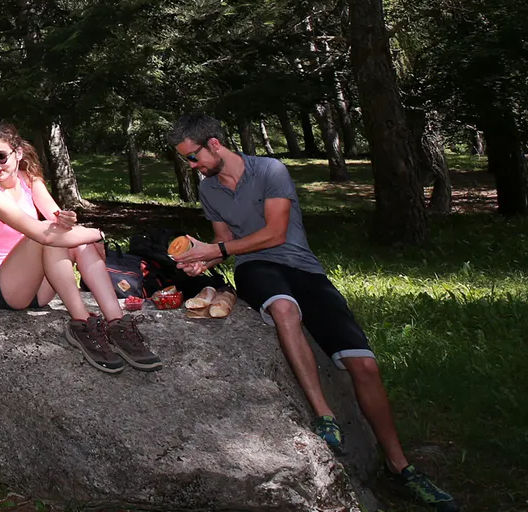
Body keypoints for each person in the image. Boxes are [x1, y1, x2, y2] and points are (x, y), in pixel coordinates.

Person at [167, 113, 459, 512]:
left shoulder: (270, 170)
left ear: (214, 144)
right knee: (285, 310)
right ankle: (325, 416)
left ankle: (401, 466)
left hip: (301, 265)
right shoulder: (209, 191)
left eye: (193, 157)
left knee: (364, 365)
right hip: (255, 269)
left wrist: (215, 252)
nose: (192, 166)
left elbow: (275, 233)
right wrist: (203, 260)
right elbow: (226, 241)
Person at [0, 121, 161, 374]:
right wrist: (97, 234)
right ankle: (82, 323)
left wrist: (66, 221)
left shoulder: (29, 180)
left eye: (1, 157)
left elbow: (55, 218)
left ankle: (117, 323)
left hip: (37, 285)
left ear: (18, 154)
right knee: (47, 236)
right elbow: (41, 233)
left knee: (70, 240)